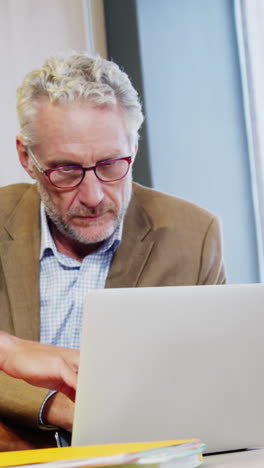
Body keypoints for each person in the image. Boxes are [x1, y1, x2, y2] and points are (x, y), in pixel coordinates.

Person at [0, 52, 226, 440]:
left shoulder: (195, 235)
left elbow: (213, 384)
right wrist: (55, 405)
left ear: (133, 148)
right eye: (66, 170)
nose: (92, 195)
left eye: (110, 165)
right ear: (27, 158)